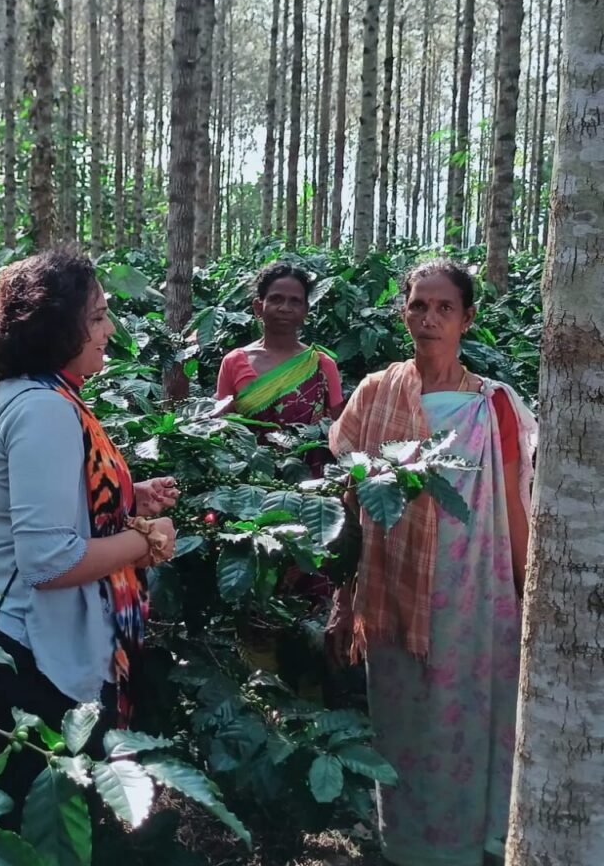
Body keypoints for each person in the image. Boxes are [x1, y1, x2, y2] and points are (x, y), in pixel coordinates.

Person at [0, 249, 179, 805]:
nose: (108, 329)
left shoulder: (27, 395)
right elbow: (50, 562)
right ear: (55, 325)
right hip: (34, 650)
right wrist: (145, 541)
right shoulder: (45, 409)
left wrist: (128, 496)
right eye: (96, 316)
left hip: (16, 630)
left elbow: (46, 507)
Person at [325, 258, 536, 866]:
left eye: (445, 308)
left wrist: (528, 599)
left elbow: (514, 511)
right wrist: (343, 603)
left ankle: (478, 846)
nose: (429, 319)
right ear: (403, 312)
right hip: (393, 603)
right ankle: (409, 848)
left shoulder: (492, 406)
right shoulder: (374, 394)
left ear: (468, 319)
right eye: (419, 305)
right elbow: (352, 504)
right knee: (405, 729)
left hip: (475, 600)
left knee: (471, 723)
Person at [215, 262, 344, 432]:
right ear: (258, 307)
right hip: (248, 458)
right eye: (276, 299)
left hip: (306, 458)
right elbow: (221, 424)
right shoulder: (234, 361)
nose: (285, 308)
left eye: (295, 301)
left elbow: (338, 428)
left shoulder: (321, 364)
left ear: (305, 310)